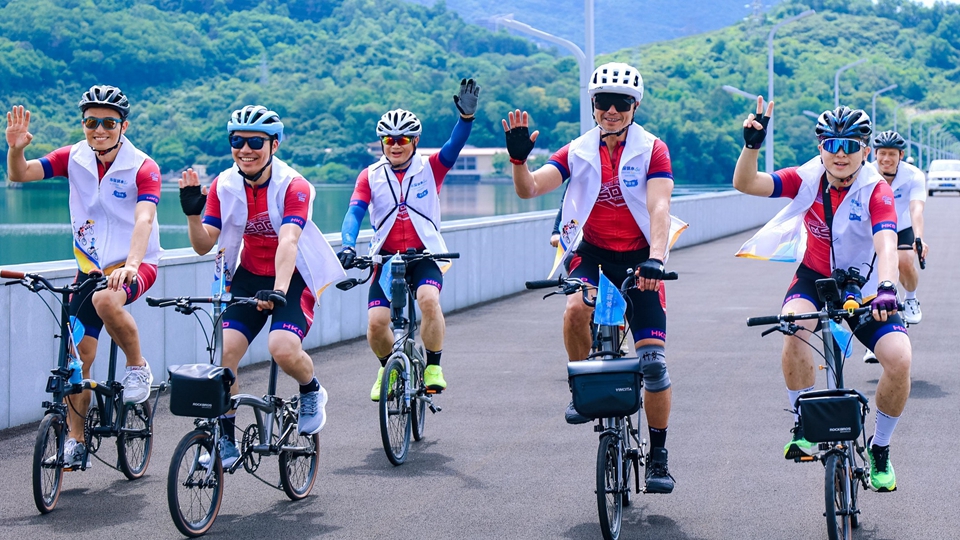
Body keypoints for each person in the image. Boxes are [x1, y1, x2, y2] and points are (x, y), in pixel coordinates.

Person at [501, 62, 685, 494]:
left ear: (635, 105)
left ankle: (658, 457)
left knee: (654, 366)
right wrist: (517, 160)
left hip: (641, 256)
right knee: (574, 308)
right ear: (593, 105)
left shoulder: (653, 149)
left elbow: (660, 207)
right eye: (604, 102)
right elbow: (530, 188)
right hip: (592, 254)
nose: (612, 111)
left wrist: (656, 259)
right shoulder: (577, 150)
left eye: (622, 103)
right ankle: (580, 385)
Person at [733, 99, 912, 493]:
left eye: (851, 145)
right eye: (832, 144)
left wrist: (885, 288)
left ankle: (880, 449)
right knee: (793, 328)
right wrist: (751, 145)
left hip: (866, 289)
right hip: (814, 278)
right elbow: (747, 184)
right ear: (820, 147)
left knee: (899, 359)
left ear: (866, 151)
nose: (841, 154)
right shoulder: (806, 178)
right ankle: (804, 423)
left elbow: (886, 242)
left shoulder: (875, 189)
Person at [179, 105, 345, 467]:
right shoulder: (225, 184)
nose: (246, 149)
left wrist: (280, 291)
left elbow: (289, 241)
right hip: (248, 274)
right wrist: (193, 215)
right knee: (224, 357)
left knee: (282, 347)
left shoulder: (294, 186)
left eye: (256, 141)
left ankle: (311, 390)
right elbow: (205, 244)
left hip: (292, 276)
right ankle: (224, 438)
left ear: (274, 145)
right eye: (237, 140)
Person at [5, 85, 160, 469]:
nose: (99, 129)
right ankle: (76, 439)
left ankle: (137, 365)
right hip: (88, 267)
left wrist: (131, 264)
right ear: (84, 124)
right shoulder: (72, 157)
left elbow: (144, 218)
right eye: (91, 122)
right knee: (78, 359)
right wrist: (15, 147)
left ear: (123, 125)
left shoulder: (143, 166)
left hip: (134, 264)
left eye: (108, 122)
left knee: (106, 300)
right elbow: (20, 174)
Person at [337, 78, 480, 401]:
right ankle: (387, 368)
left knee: (428, 300)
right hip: (386, 259)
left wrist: (465, 120)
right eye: (389, 139)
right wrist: (347, 245)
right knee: (376, 324)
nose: (395, 144)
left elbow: (453, 146)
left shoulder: (431, 168)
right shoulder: (370, 176)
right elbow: (354, 213)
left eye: (402, 139)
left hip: (424, 256)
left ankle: (433, 366)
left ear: (414, 141)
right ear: (382, 143)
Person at [867, 131, 927, 329]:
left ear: (901, 155)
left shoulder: (914, 175)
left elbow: (916, 209)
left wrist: (918, 237)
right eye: (882, 153)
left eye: (892, 154)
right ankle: (878, 336)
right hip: (872, 227)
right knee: (874, 273)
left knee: (906, 261)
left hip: (901, 225)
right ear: (874, 154)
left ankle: (910, 298)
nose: (886, 159)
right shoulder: (865, 173)